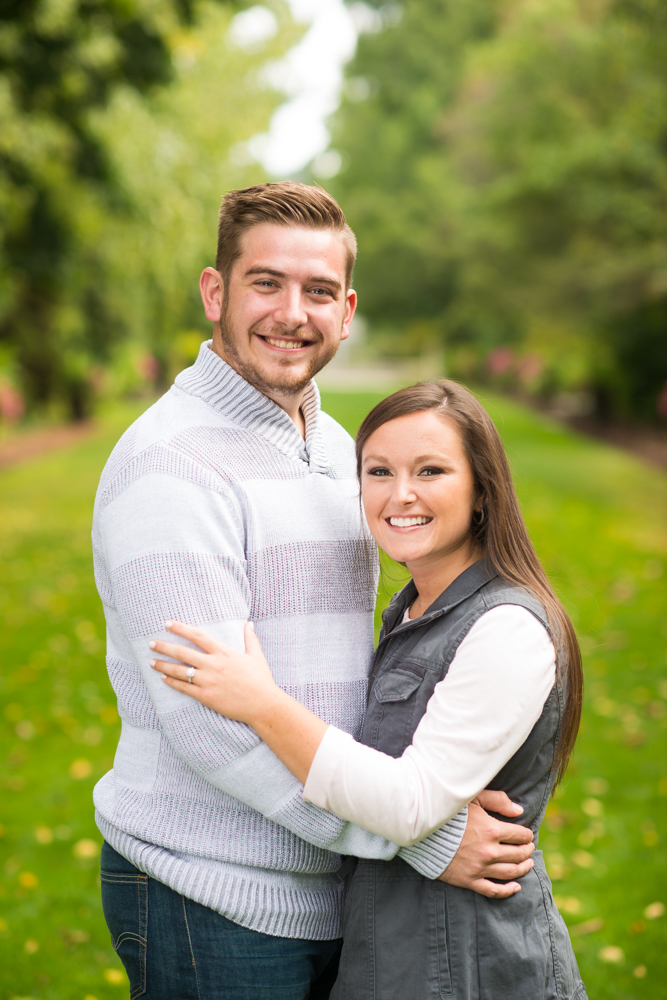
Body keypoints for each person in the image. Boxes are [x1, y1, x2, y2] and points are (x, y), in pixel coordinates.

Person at [92, 182, 536, 1000]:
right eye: (266, 283)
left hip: (335, 887)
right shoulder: (170, 467)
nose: (292, 312)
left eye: (318, 291)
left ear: (346, 307)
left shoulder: (340, 452)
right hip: (211, 890)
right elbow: (207, 726)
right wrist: (419, 840)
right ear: (215, 291)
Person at [149, 379, 588, 1000]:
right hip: (390, 953)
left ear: (482, 492)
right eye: (379, 471)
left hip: (466, 965)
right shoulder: (411, 611)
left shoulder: (506, 629)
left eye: (430, 470)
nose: (400, 494)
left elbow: (410, 804)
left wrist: (262, 703)